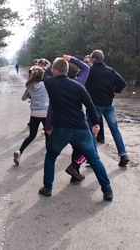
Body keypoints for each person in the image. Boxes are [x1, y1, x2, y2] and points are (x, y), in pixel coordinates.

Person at [39, 57, 113, 201]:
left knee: (51, 157)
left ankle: (48, 188)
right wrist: (96, 123)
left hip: (61, 129)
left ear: (55, 71)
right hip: (80, 129)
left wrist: (55, 61)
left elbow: (45, 73)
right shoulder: (78, 86)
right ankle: (107, 190)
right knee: (94, 159)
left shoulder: (50, 84)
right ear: (66, 71)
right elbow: (90, 105)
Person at [45, 54, 90, 184]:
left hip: (60, 126)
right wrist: (71, 59)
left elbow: (51, 108)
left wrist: (48, 126)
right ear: (74, 72)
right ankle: (75, 169)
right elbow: (86, 69)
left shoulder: (54, 86)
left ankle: (48, 186)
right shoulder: (78, 83)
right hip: (78, 125)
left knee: (51, 155)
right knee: (81, 149)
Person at [85, 49, 129, 167]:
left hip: (95, 106)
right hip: (108, 105)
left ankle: (93, 157)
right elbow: (122, 83)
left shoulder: (90, 71)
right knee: (115, 129)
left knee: (91, 130)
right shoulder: (110, 71)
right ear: (102, 58)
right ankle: (123, 154)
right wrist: (115, 91)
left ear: (93, 59)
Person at [14, 66, 49, 165]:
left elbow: (23, 98)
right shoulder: (46, 84)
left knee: (32, 135)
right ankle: (48, 155)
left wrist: (31, 95)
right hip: (46, 113)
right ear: (42, 75)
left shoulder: (29, 86)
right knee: (47, 134)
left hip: (34, 113)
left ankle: (20, 151)